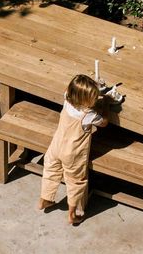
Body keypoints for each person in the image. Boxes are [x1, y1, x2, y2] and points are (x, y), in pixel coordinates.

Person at [38, 74, 108, 226]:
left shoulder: (66, 99)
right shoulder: (89, 115)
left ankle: (45, 198)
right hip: (73, 153)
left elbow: (70, 90)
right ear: (87, 100)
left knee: (50, 170)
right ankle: (72, 213)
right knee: (75, 181)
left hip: (56, 145)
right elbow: (104, 124)